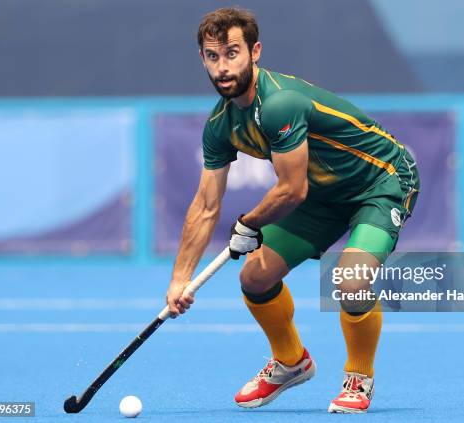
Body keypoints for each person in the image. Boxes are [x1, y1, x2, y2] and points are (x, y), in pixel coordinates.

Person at [166, 6, 419, 414]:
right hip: (324, 194)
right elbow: (205, 205)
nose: (222, 67)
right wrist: (180, 279)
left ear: (255, 51)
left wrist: (249, 223)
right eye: (213, 56)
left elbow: (292, 190)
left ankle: (359, 377)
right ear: (202, 59)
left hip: (381, 182)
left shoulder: (281, 103)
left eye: (232, 53)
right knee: (255, 276)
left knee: (350, 279)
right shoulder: (220, 125)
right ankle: (290, 362)